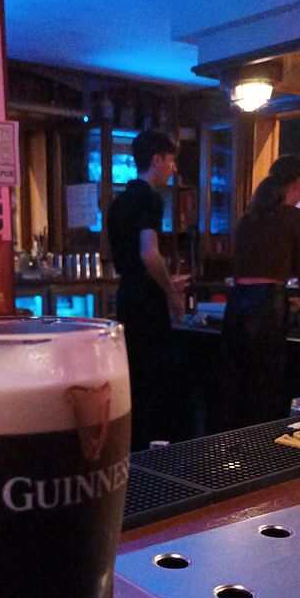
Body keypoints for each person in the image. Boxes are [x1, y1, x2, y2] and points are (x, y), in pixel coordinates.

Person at [221, 154, 300, 431]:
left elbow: (251, 273)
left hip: (236, 307)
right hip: (267, 311)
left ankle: (232, 459)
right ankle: (264, 458)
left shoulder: (247, 219)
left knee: (237, 389)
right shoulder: (298, 219)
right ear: (297, 183)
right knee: (266, 391)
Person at [108, 130, 187, 451]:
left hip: (127, 296)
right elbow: (149, 252)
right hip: (146, 301)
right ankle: (157, 455)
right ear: (157, 160)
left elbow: (131, 259)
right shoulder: (150, 198)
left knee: (135, 379)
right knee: (156, 379)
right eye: (171, 161)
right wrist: (171, 292)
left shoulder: (119, 202)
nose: (173, 168)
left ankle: (134, 454)